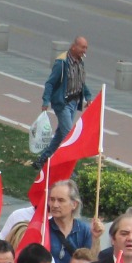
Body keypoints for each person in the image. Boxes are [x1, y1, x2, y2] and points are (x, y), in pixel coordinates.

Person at [38, 36, 93, 168]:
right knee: (69, 136)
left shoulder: (80, 62)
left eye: (86, 47)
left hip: (74, 103)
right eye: (82, 47)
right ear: (73, 46)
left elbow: (81, 82)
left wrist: (88, 95)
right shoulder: (62, 63)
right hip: (62, 104)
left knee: (60, 134)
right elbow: (50, 83)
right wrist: (45, 101)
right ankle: (67, 167)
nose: (84, 50)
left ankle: (43, 159)